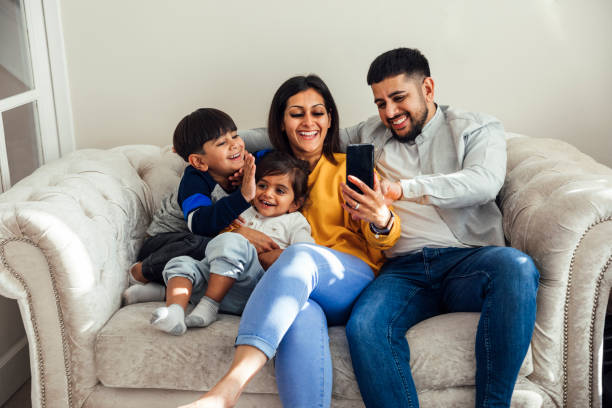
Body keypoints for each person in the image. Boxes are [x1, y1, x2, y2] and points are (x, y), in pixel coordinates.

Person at [178, 74, 401, 408]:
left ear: (329, 120)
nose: (308, 122)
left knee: (299, 256)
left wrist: (381, 219)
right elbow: (225, 225)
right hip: (290, 288)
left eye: (318, 113)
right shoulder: (258, 172)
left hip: (346, 280)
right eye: (297, 114)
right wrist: (241, 232)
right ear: (281, 124)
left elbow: (386, 238)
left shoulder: (348, 169)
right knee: (298, 315)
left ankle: (227, 390)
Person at [342, 48, 540, 407]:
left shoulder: (476, 127)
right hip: (403, 270)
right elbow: (304, 134)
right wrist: (229, 143)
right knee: (366, 327)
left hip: (469, 262)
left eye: (398, 98)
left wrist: (403, 189)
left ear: (428, 88)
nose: (389, 113)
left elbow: (483, 182)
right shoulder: (369, 133)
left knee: (517, 268)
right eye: (380, 103)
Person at [123, 108, 277, 305]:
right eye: (222, 143)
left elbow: (279, 154)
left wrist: (250, 171)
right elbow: (199, 224)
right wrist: (243, 196)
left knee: (223, 260)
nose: (235, 145)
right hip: (164, 244)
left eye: (235, 136)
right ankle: (142, 271)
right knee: (204, 244)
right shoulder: (194, 179)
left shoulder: (246, 162)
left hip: (195, 255)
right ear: (199, 161)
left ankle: (162, 290)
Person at [150, 150, 314, 335]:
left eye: (280, 191)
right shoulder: (242, 209)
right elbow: (215, 241)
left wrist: (273, 255)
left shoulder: (294, 221)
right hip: (217, 278)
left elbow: (307, 254)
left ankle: (209, 305)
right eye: (262, 185)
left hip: (251, 287)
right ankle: (175, 312)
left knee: (233, 241)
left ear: (294, 204)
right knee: (181, 263)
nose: (267, 194)